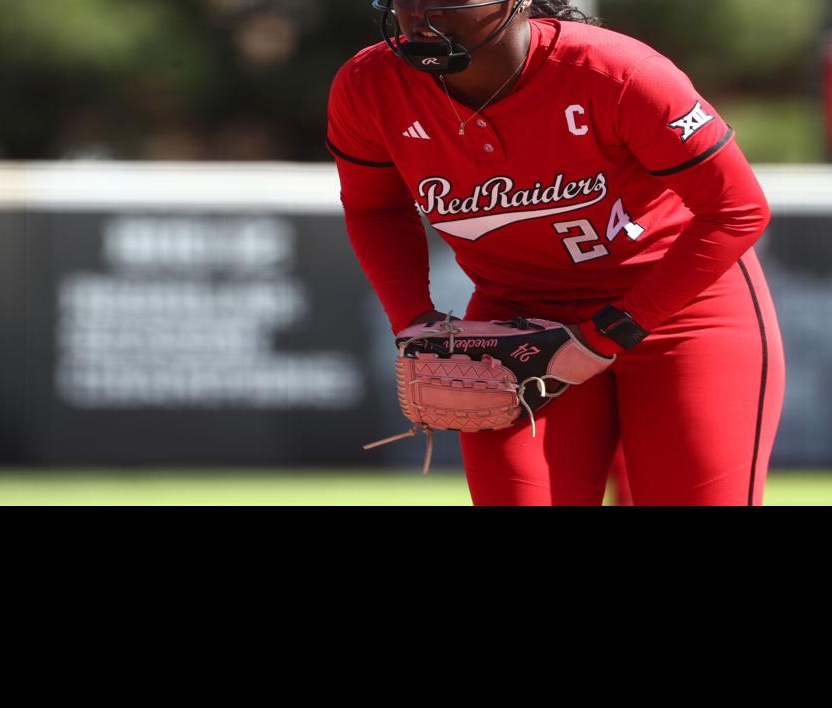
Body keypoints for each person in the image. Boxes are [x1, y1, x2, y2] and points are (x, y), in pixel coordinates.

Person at [328, 0, 785, 505]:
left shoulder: (618, 72)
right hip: (519, 321)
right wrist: (412, 319)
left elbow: (738, 209)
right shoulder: (371, 84)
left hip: (680, 315)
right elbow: (375, 209)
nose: (418, 12)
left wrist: (608, 334)